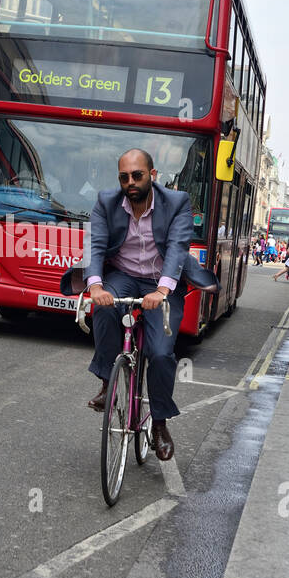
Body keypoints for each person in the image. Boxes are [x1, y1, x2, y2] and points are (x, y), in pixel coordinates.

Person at [69, 148, 217, 461]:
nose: (130, 182)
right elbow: (95, 245)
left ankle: (160, 423)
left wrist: (163, 290)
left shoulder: (176, 202)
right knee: (105, 308)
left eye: (137, 175)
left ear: (152, 175)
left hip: (161, 281)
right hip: (123, 274)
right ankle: (108, 383)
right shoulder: (106, 202)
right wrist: (95, 284)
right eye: (124, 177)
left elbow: (177, 249)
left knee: (162, 353)